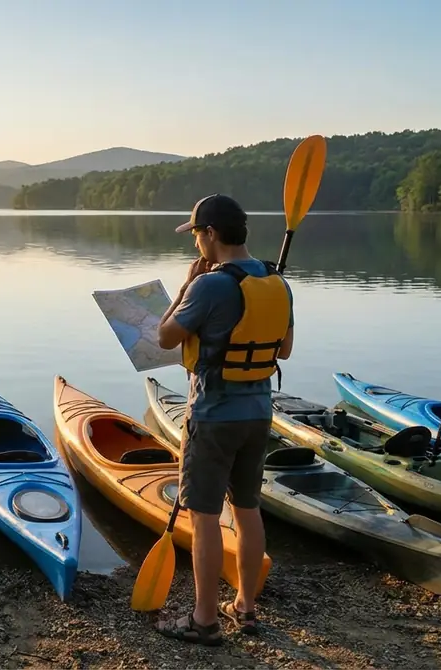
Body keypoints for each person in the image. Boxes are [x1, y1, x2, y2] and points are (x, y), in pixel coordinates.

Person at [152, 193, 295, 645]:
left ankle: (204, 619)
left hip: (212, 417)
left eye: (196, 234)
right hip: (259, 414)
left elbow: (164, 337)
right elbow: (285, 350)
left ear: (211, 233)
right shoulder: (277, 281)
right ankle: (246, 607)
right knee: (248, 509)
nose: (195, 243)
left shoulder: (209, 284)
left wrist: (185, 287)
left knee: (206, 516)